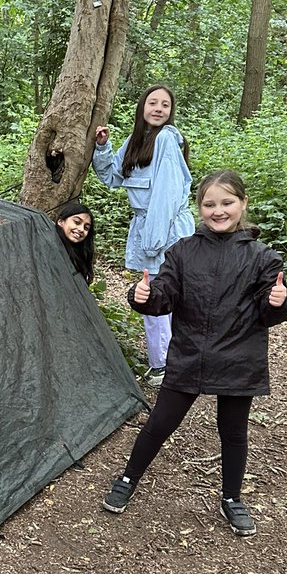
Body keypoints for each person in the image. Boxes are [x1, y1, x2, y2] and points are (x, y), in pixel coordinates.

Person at [101, 170, 287, 538]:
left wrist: (279, 302)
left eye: (227, 203)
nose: (218, 211)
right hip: (190, 353)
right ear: (199, 207)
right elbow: (164, 294)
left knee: (234, 431)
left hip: (239, 357)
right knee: (160, 422)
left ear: (242, 204)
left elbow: (268, 311)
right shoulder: (183, 251)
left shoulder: (262, 257)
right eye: (209, 204)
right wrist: (144, 297)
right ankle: (128, 477)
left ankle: (232, 498)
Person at [92, 85, 193, 385]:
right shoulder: (138, 140)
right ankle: (170, 363)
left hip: (165, 230)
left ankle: (164, 366)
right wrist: (102, 147)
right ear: (142, 107)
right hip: (148, 228)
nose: (159, 108)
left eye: (165, 104)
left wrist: (153, 242)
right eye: (153, 103)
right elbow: (112, 176)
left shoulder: (165, 140)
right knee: (160, 297)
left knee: (155, 297)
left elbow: (167, 194)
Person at [55, 200, 95, 284]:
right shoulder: (49, 246)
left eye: (86, 228)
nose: (81, 229)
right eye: (77, 222)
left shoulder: (80, 255)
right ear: (61, 222)